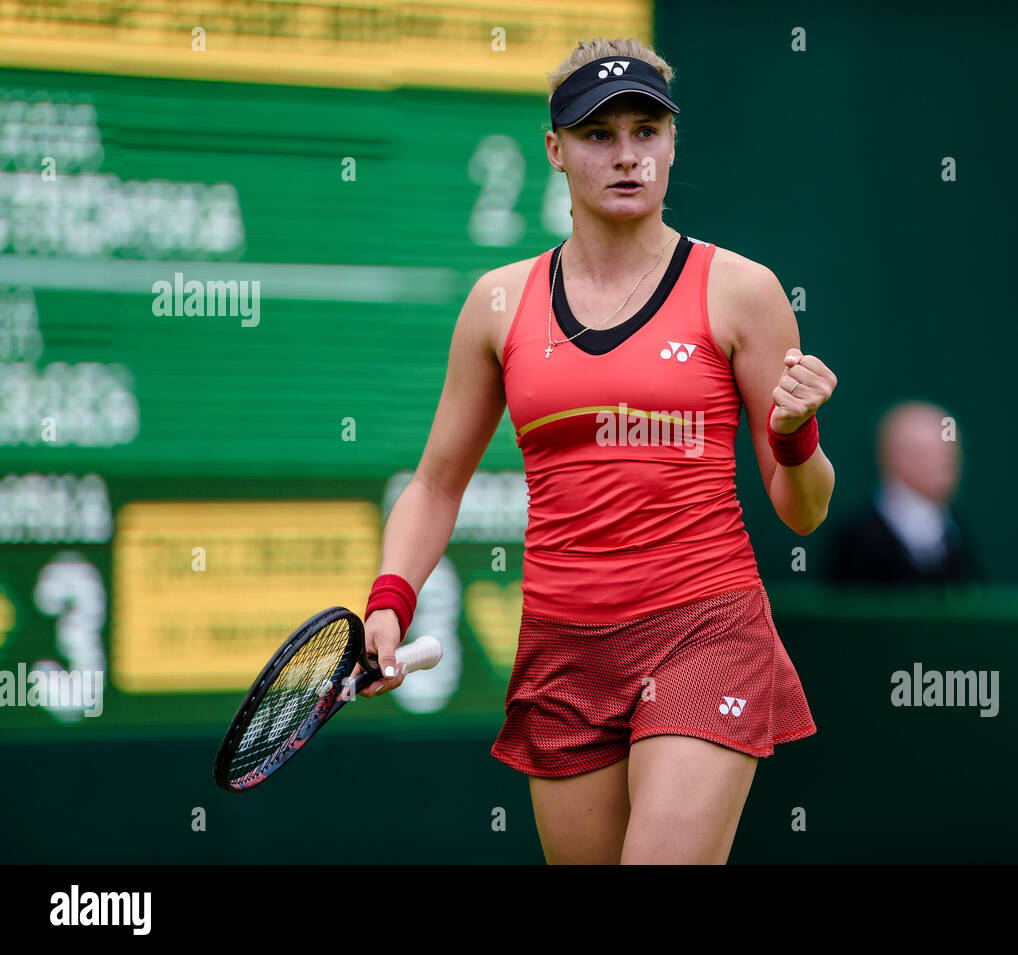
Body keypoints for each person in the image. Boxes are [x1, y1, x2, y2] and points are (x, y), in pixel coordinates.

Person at [356, 37, 837, 864]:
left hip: (705, 628)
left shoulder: (743, 292)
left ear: (673, 142)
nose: (626, 156)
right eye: (597, 134)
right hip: (563, 646)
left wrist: (796, 439)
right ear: (555, 150)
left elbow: (803, 510)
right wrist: (390, 600)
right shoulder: (498, 303)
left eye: (646, 132)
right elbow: (437, 483)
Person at [828, 401, 980, 585]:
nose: (949, 464)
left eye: (952, 454)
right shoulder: (856, 538)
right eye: (932, 453)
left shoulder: (957, 535)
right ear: (895, 457)